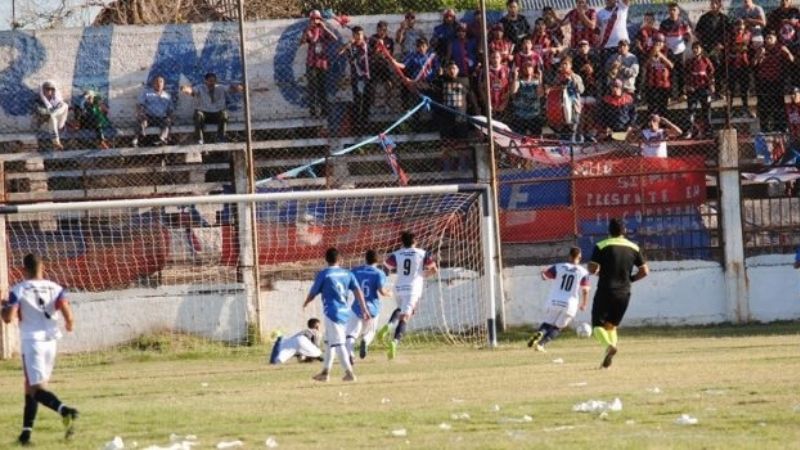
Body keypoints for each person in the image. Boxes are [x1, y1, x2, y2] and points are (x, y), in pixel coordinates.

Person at [1, 254, 79, 445]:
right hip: (51, 342)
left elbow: (8, 318)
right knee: (30, 388)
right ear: (43, 267)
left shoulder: (19, 289)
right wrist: (69, 325)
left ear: (24, 269)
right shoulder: (56, 288)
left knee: (36, 390)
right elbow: (68, 314)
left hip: (32, 342)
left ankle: (65, 411)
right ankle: (25, 435)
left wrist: (3, 305)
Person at [587, 219, 649, 369]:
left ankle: (608, 346)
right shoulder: (634, 247)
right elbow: (644, 271)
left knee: (597, 325)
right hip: (624, 292)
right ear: (625, 231)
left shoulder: (602, 245)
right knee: (611, 326)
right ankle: (609, 354)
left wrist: (599, 272)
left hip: (606, 290)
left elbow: (592, 269)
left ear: (609, 231)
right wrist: (630, 279)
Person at [302, 247, 370, 382]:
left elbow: (313, 292)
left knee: (339, 343)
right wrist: (364, 309)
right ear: (340, 259)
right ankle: (325, 373)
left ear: (326, 260)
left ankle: (349, 373)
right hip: (345, 312)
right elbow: (358, 292)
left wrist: (306, 302)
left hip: (332, 313)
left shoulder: (324, 274)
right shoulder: (348, 274)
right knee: (328, 342)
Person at [376, 231, 438, 360]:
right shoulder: (422, 253)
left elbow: (386, 267)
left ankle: (389, 325)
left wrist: (384, 283)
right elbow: (434, 269)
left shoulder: (397, 254)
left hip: (398, 287)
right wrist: (424, 275)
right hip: (413, 289)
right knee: (405, 317)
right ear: (415, 241)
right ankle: (394, 342)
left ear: (402, 242)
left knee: (400, 310)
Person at [528, 247, 590, 352]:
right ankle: (541, 344)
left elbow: (544, 276)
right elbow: (585, 290)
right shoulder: (583, 272)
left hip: (554, 301)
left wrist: (542, 272)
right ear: (580, 257)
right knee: (558, 327)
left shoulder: (558, 267)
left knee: (547, 323)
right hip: (570, 304)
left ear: (569, 256)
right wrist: (584, 303)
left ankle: (539, 333)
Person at [345, 250, 389, 362]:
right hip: (372, 307)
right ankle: (365, 340)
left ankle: (350, 354)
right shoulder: (379, 273)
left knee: (351, 334)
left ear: (365, 258)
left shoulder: (355, 271)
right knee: (371, 332)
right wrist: (389, 293)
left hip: (357, 306)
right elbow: (382, 291)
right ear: (377, 260)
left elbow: (347, 285)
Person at [180, 72, 243, 145]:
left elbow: (232, 89)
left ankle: (220, 138)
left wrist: (237, 87)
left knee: (224, 114)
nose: (212, 83)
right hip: (204, 114)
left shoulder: (220, 87)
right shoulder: (200, 88)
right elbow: (191, 91)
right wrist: (185, 89)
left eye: (214, 81)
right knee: (198, 114)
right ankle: (199, 139)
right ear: (205, 81)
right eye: (210, 81)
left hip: (216, 114)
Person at [753, 30, 795, 132]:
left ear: (776, 39)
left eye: (771, 37)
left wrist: (788, 52)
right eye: (767, 37)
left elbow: (792, 60)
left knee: (778, 104)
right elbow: (754, 64)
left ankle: (780, 127)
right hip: (764, 81)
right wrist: (759, 56)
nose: (768, 39)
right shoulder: (761, 49)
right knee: (764, 105)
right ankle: (765, 128)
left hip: (777, 80)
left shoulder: (780, 48)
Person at [299, 10, 337, 118]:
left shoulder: (323, 30)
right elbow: (302, 42)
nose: (316, 21)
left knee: (322, 88)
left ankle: (324, 111)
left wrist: (324, 28)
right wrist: (308, 30)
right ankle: (313, 111)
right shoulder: (308, 30)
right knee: (312, 87)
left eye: (317, 19)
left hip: (322, 63)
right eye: (313, 19)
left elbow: (335, 38)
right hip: (311, 63)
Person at [338, 26, 371, 135]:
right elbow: (340, 52)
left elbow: (359, 56)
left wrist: (351, 50)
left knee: (365, 101)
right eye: (357, 34)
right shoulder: (351, 45)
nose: (359, 36)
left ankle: (364, 125)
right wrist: (348, 44)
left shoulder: (364, 45)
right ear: (353, 35)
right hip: (355, 77)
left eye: (361, 34)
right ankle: (357, 127)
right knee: (357, 101)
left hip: (364, 76)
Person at [659, 3, 693, 100]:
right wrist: (665, 48)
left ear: (678, 11)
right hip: (669, 52)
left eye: (674, 9)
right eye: (670, 10)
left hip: (680, 52)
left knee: (681, 72)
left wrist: (684, 44)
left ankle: (682, 93)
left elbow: (688, 35)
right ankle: (669, 95)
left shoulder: (683, 22)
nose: (672, 12)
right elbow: (660, 37)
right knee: (669, 74)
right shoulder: (664, 23)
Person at [695, 0, 728, 95]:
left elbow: (729, 34)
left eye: (716, 3)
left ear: (719, 5)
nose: (713, 5)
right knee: (705, 69)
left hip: (718, 49)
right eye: (712, 3)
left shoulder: (724, 18)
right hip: (706, 48)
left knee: (718, 69)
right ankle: (705, 91)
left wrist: (722, 44)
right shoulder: (704, 18)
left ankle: (719, 91)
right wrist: (702, 45)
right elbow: (697, 32)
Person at [133, 75, 173, 148]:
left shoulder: (167, 96)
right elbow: (140, 105)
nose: (159, 84)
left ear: (163, 84)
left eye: (161, 82)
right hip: (149, 117)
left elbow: (170, 109)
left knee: (167, 122)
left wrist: (169, 117)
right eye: (156, 82)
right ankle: (136, 139)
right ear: (153, 83)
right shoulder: (147, 93)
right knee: (140, 120)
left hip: (161, 118)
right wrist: (142, 114)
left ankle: (162, 138)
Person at [643, 34, 673, 118]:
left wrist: (661, 55)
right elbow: (645, 66)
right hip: (651, 84)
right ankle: (651, 124)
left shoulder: (668, 51)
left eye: (661, 42)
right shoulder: (648, 51)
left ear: (664, 43)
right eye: (656, 42)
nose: (659, 44)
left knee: (663, 107)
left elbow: (671, 65)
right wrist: (652, 54)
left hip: (664, 84)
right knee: (651, 107)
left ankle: (663, 124)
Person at [727, 18, 753, 117]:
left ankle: (745, 108)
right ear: (734, 27)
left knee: (744, 88)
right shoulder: (730, 36)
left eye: (741, 25)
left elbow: (750, 48)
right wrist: (734, 52)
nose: (739, 27)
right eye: (737, 25)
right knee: (731, 88)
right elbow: (727, 49)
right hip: (732, 65)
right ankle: (729, 110)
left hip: (744, 64)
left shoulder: (748, 35)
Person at [510, 61, 545, 135]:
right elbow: (513, 91)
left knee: (536, 136)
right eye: (525, 67)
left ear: (533, 69)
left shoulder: (536, 82)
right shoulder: (520, 81)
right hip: (520, 114)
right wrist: (515, 76)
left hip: (534, 114)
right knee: (519, 137)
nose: (527, 69)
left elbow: (540, 94)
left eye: (530, 66)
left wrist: (540, 78)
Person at [34, 81, 69, 151]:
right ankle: (56, 142)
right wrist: (53, 112)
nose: (49, 91)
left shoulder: (56, 100)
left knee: (65, 105)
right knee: (52, 117)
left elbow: (62, 109)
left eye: (52, 89)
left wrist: (53, 111)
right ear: (43, 90)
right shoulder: (38, 101)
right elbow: (42, 112)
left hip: (58, 124)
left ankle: (56, 142)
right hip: (45, 125)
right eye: (47, 89)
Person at [596, 0, 631, 64]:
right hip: (607, 46)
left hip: (623, 45)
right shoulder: (599, 14)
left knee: (625, 67)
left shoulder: (621, 7)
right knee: (609, 69)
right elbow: (597, 30)